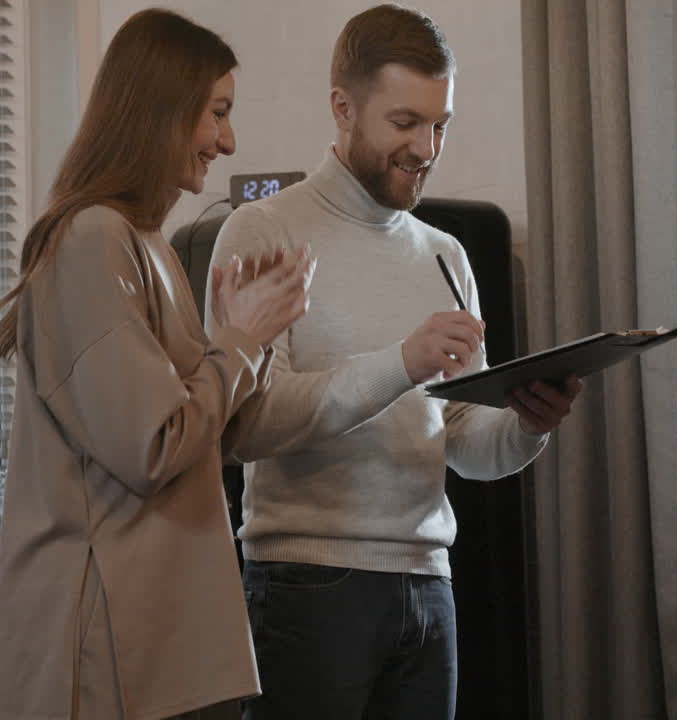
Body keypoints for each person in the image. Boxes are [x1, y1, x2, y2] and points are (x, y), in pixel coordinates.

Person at [205, 5, 581, 719]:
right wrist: (400, 363)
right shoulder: (262, 231)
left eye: (440, 124)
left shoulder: (447, 256)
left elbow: (466, 446)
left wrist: (529, 425)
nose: (427, 147)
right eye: (404, 122)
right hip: (308, 586)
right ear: (342, 109)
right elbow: (243, 429)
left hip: (430, 586)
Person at [0, 9, 313, 720]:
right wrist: (241, 341)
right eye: (216, 113)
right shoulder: (91, 241)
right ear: (162, 112)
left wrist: (238, 337)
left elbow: (209, 433)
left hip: (167, 646)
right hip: (117, 657)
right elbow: (154, 445)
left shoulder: (146, 246)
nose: (228, 141)